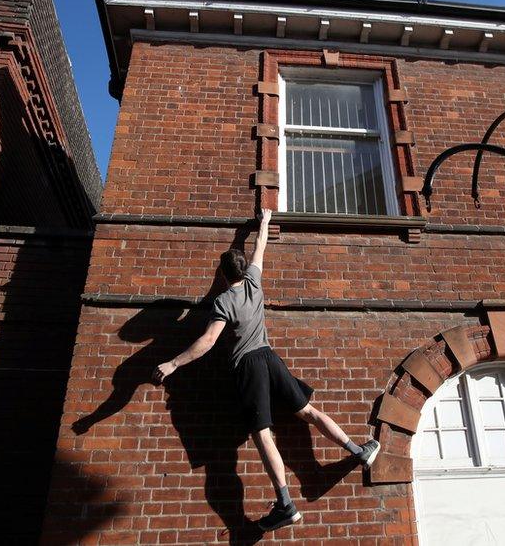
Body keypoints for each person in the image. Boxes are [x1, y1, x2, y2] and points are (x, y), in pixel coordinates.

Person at [153, 209, 379, 532]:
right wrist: (265, 221)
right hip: (270, 359)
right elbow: (260, 246)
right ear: (243, 270)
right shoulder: (254, 282)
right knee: (309, 412)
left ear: (222, 274)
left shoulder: (223, 302)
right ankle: (359, 451)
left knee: (261, 435)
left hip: (248, 367)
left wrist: (172, 363)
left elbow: (208, 341)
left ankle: (285, 504)